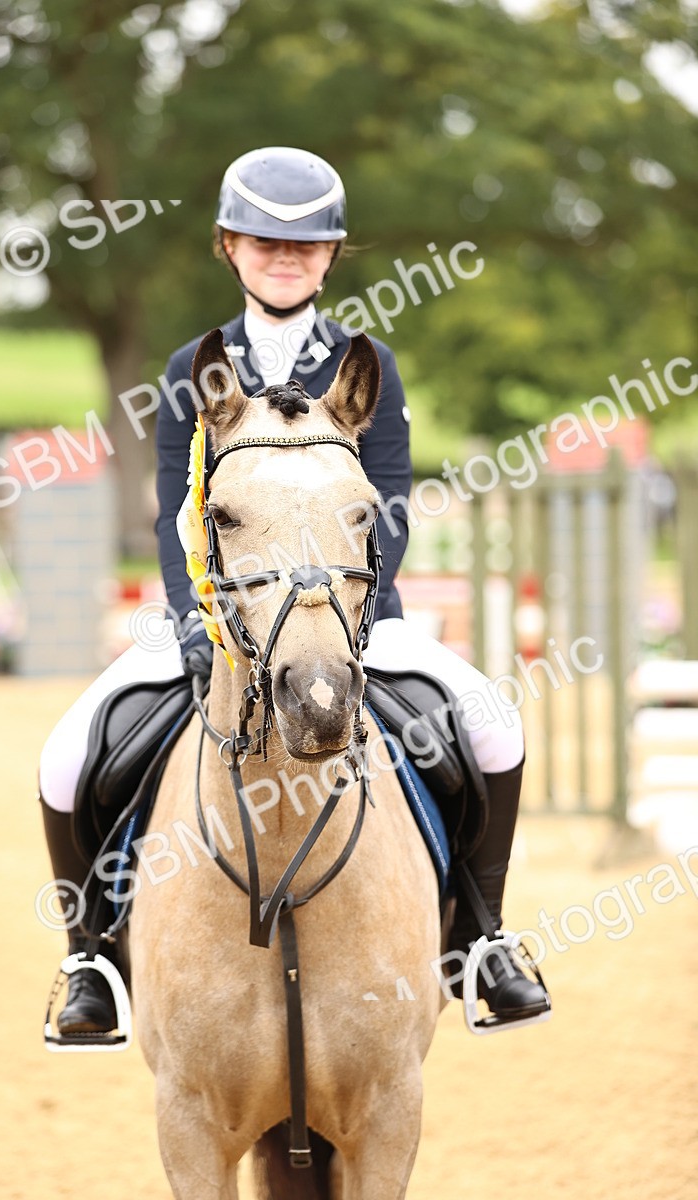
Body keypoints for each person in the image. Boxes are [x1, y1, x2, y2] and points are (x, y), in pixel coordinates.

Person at [39, 146, 549, 1037]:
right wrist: (201, 629)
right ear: (228, 247)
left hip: (354, 623)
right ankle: (89, 962)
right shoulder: (193, 369)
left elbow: (384, 509)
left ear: (330, 257)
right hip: (217, 620)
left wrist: (346, 623)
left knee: (493, 725)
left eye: (306, 246)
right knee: (67, 753)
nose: (286, 257)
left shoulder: (363, 363)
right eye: (265, 241)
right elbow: (175, 515)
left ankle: (481, 939)